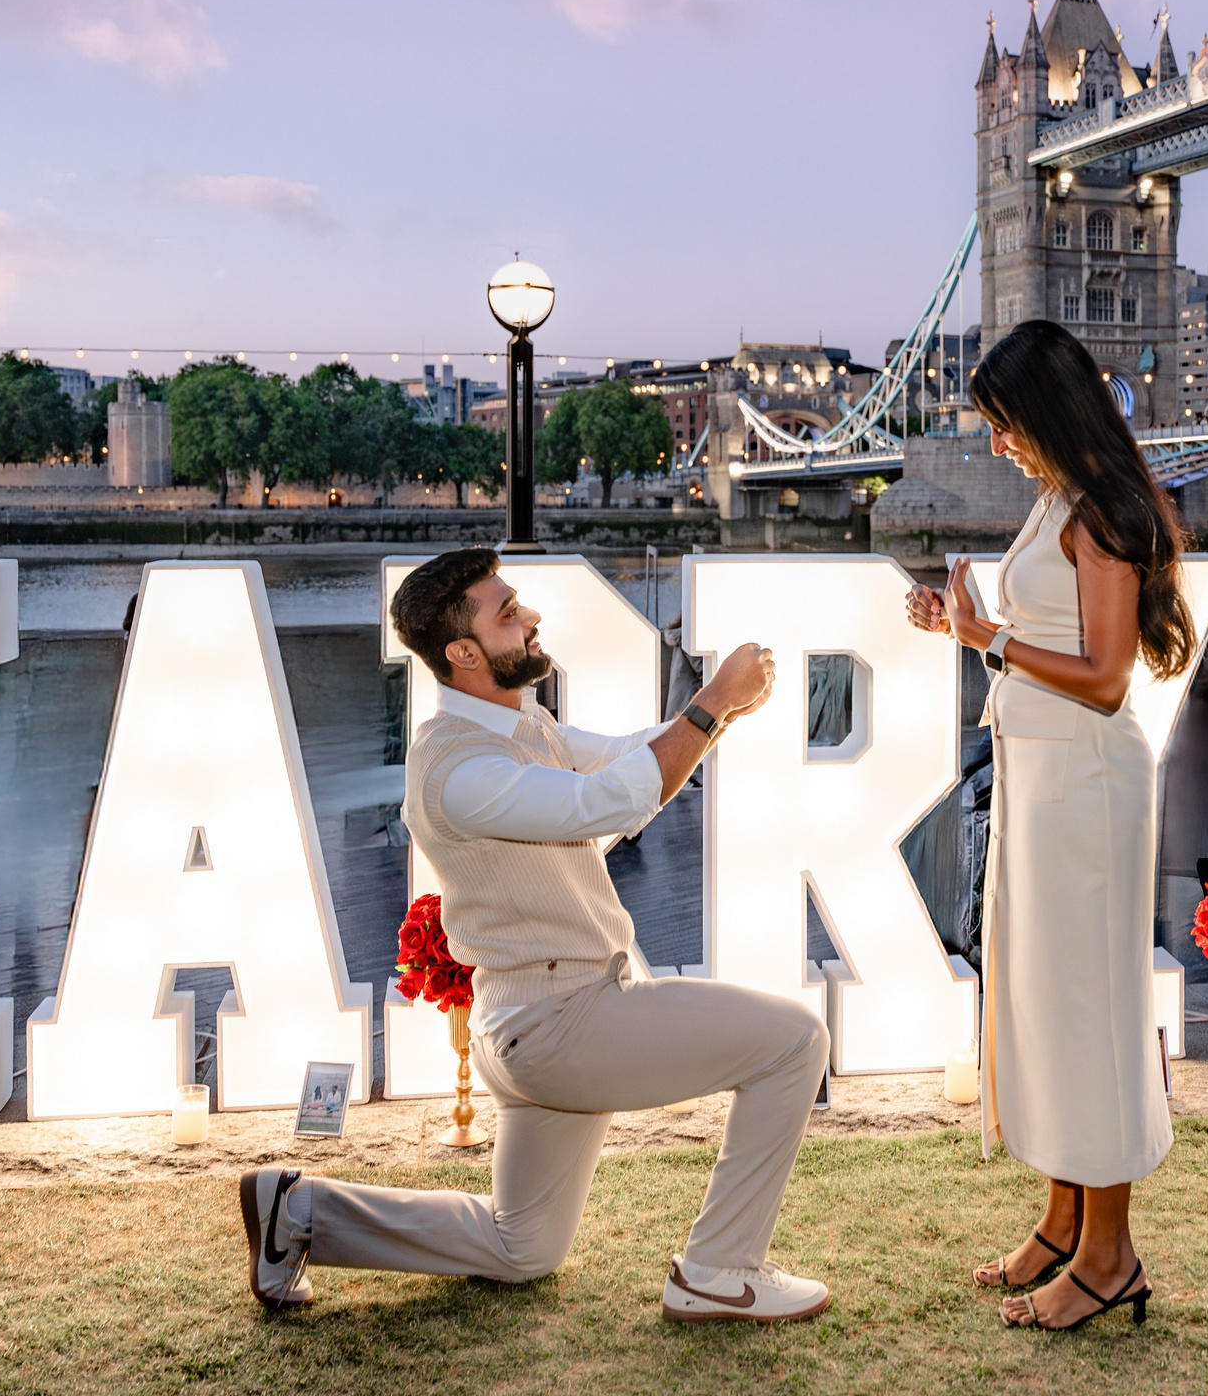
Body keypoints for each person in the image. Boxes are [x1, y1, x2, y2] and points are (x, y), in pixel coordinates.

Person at [241, 548, 835, 1323]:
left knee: (524, 1248)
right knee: (795, 1041)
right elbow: (607, 805)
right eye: (508, 611)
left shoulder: (523, 724)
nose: (531, 618)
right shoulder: (458, 769)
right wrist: (710, 701)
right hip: (563, 1023)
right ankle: (719, 1270)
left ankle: (297, 1210)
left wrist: (718, 712)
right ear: (463, 652)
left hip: (527, 1027)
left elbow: (628, 761)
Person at [903, 320, 1195, 1332]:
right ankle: (1065, 1219)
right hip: (1042, 776)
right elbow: (1051, 640)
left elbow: (1108, 681)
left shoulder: (1104, 514)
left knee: (1088, 1012)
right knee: (1039, 997)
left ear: (1045, 413)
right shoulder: (1057, 503)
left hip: (1086, 783)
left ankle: (1110, 1256)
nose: (995, 444)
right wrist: (966, 629)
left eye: (1002, 424)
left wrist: (991, 639)